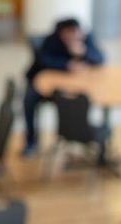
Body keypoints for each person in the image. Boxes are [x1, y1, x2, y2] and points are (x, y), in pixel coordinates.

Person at [21, 17, 105, 156]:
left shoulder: (86, 38)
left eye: (75, 32)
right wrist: (66, 65)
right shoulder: (51, 40)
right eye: (68, 33)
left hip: (77, 85)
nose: (71, 36)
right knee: (29, 101)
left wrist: (83, 52)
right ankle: (31, 141)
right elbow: (44, 61)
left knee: (82, 101)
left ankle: (81, 137)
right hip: (45, 85)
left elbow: (100, 58)